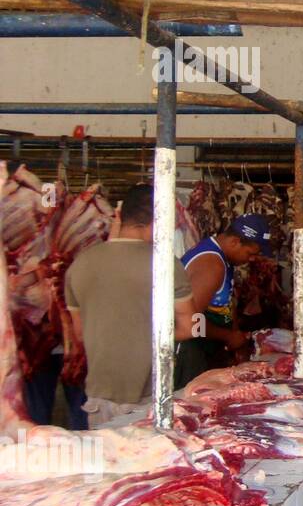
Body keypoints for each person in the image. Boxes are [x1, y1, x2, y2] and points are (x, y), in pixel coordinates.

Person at [64, 183, 197, 428]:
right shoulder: (166, 264)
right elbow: (189, 328)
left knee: (108, 463)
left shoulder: (81, 263)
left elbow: (80, 334)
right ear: (157, 219)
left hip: (98, 397)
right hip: (149, 397)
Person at [173, 214, 272, 389]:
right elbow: (190, 321)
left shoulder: (223, 259)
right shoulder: (212, 265)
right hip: (189, 353)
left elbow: (223, 303)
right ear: (235, 242)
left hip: (204, 349)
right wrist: (228, 336)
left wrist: (234, 333)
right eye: (250, 254)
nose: (251, 260)